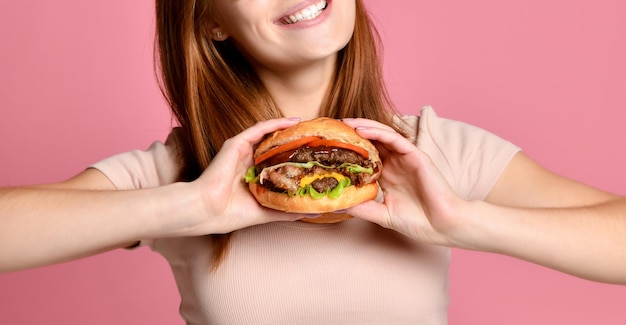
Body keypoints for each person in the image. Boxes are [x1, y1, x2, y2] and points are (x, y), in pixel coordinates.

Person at [0, 0, 623, 323]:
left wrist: (463, 221)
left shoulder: (431, 150)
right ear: (211, 21)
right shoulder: (183, 171)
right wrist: (191, 206)